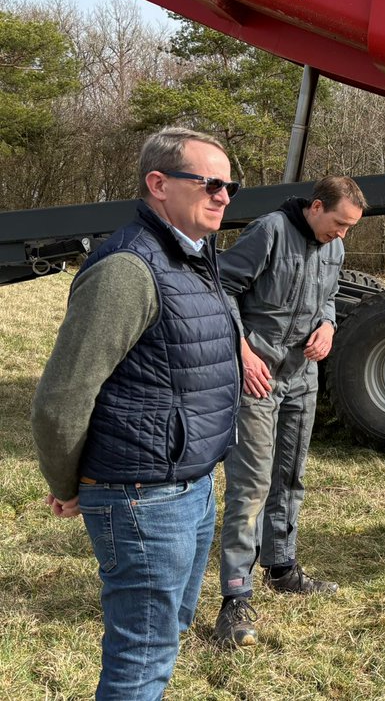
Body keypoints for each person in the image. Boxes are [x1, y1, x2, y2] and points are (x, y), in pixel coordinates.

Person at [30, 127, 242, 700]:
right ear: (158, 183)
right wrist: (67, 481)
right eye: (212, 182)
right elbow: (61, 400)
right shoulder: (129, 268)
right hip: (142, 496)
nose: (225, 195)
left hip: (188, 487)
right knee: (141, 659)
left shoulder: (194, 258)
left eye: (231, 185)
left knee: (164, 636)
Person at [213, 176, 366, 647]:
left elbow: (327, 297)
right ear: (316, 206)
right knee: (252, 483)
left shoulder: (334, 246)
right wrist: (241, 351)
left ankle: (282, 566)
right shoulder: (269, 232)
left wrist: (329, 325)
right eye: (337, 223)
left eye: (349, 229)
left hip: (303, 376)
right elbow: (221, 289)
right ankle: (235, 598)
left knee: (291, 473)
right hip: (258, 373)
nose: (341, 235)